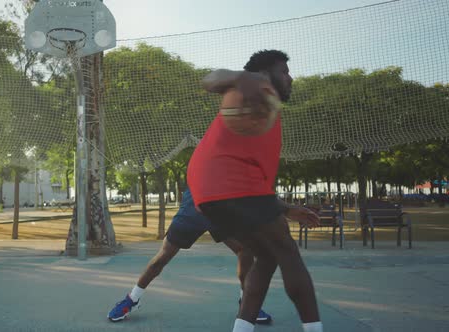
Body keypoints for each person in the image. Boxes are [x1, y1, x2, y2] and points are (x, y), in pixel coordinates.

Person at [188, 50, 323, 332]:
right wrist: (240, 76)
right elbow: (211, 79)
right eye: (284, 71)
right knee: (287, 251)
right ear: (266, 73)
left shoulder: (266, 110)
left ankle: (243, 327)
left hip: (208, 194)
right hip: (227, 183)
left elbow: (255, 183)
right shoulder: (251, 86)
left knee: (266, 256)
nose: (290, 77)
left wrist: (286, 209)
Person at [107, 187, 272, 324]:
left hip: (220, 209)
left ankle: (246, 302)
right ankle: (132, 299)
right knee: (162, 258)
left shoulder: (236, 158)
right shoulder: (205, 154)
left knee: (245, 250)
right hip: (194, 207)